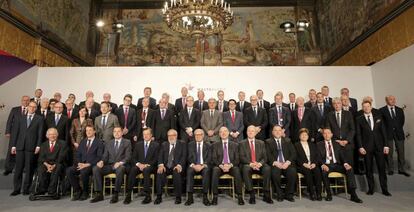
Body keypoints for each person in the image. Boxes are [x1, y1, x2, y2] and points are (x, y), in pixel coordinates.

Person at [356, 101, 391, 196]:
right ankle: (371, 189)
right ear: (362, 108)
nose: (366, 108)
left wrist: (386, 145)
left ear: (371, 107)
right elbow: (358, 134)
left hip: (379, 146)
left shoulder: (378, 117)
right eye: (364, 107)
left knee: (381, 168)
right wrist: (360, 147)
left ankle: (385, 189)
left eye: (368, 106)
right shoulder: (359, 119)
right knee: (369, 169)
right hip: (367, 148)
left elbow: (384, 132)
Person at [317, 128, 362, 203]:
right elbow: (318, 157)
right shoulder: (319, 144)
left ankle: (353, 195)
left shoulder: (336, 144)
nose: (327, 135)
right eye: (324, 133)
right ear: (323, 135)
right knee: (324, 172)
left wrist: (345, 164)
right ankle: (329, 194)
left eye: (328, 133)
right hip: (327, 165)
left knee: (349, 169)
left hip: (336, 165)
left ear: (331, 135)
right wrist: (322, 165)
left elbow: (342, 156)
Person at [10, 101, 43, 196]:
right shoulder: (20, 117)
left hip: (31, 147)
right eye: (31, 106)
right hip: (20, 147)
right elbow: (15, 132)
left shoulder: (39, 119)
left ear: (36, 109)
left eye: (34, 107)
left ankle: (26, 189)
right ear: (27, 107)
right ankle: (16, 189)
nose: (32, 108)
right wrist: (13, 145)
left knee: (29, 169)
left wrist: (38, 145)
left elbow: (40, 133)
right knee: (18, 169)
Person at [91, 127, 132, 203]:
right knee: (96, 168)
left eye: (118, 131)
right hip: (111, 165)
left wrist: (120, 163)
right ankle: (99, 194)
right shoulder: (109, 143)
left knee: (120, 169)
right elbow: (105, 156)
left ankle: (116, 193)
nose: (116, 133)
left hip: (122, 165)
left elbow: (128, 157)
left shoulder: (127, 142)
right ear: (113, 133)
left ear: (122, 133)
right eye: (115, 131)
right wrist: (102, 161)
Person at [66, 125, 104, 201]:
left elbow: (99, 157)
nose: (88, 132)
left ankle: (85, 192)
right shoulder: (83, 141)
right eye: (87, 130)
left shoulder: (99, 142)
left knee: (84, 171)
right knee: (69, 170)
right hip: (81, 164)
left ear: (94, 131)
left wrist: (87, 164)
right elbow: (78, 154)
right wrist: (80, 163)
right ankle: (78, 190)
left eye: (90, 130)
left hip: (91, 165)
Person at [124, 128, 160, 205]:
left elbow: (157, 158)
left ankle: (147, 195)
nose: (145, 136)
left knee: (146, 170)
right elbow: (133, 158)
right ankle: (129, 194)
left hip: (150, 166)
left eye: (147, 134)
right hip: (139, 165)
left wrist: (147, 165)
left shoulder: (156, 145)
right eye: (144, 134)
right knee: (133, 169)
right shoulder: (138, 144)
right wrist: (138, 164)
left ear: (151, 135)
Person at [211, 127, 244, 205]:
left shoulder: (235, 145)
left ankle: (239, 196)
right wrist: (221, 165)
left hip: (231, 166)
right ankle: (215, 196)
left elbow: (237, 159)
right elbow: (214, 158)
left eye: (225, 131)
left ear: (228, 133)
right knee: (215, 170)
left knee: (237, 170)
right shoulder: (215, 145)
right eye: (221, 132)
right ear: (219, 134)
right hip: (220, 166)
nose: (223, 133)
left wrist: (230, 165)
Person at [240, 126, 272, 204]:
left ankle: (266, 193)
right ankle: (251, 194)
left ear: (256, 133)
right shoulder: (242, 143)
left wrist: (259, 164)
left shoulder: (261, 143)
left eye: (252, 131)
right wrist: (251, 164)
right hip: (248, 164)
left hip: (259, 164)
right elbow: (241, 157)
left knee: (267, 168)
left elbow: (265, 157)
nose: (251, 132)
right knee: (246, 168)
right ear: (246, 132)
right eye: (249, 131)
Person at [154, 129, 187, 204]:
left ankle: (178, 197)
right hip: (166, 166)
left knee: (177, 173)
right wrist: (161, 165)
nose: (171, 137)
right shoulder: (164, 144)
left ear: (176, 136)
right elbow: (160, 156)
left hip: (176, 166)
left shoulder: (182, 144)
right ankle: (159, 196)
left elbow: (184, 156)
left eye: (172, 135)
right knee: (159, 172)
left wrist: (179, 165)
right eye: (169, 135)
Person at [380, 95, 410, 176]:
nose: (393, 101)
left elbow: (402, 121)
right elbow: (382, 123)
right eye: (391, 99)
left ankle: (402, 169)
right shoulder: (382, 110)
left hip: (399, 133)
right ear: (386, 101)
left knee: (401, 151)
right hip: (387, 134)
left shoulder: (399, 110)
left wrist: (397, 128)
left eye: (394, 99)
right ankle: (390, 169)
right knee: (389, 153)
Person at [266, 125, 297, 202]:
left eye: (279, 130)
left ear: (282, 131)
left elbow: (293, 154)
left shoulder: (288, 141)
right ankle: (279, 194)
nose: (277, 132)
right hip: (276, 164)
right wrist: (275, 162)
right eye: (275, 130)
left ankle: (289, 194)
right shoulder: (268, 142)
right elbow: (268, 155)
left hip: (286, 163)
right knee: (275, 173)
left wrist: (287, 162)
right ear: (272, 132)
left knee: (292, 172)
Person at [36, 128, 67, 196]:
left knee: (57, 168)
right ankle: (42, 190)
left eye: (54, 134)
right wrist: (47, 165)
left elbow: (61, 157)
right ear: (47, 136)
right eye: (50, 134)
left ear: (57, 135)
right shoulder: (43, 145)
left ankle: (52, 191)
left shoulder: (62, 143)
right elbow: (41, 158)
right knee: (40, 169)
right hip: (46, 164)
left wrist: (54, 165)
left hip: (58, 163)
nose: (52, 136)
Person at [3, 95, 30, 176]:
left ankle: (22, 168)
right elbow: (9, 121)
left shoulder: (31, 109)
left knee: (23, 151)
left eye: (27, 100)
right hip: (14, 133)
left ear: (29, 101)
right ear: (21, 101)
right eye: (24, 100)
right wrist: (8, 132)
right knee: (11, 151)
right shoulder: (15, 109)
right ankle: (8, 168)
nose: (25, 102)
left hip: (25, 135)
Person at [185, 129, 212, 206]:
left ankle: (205, 196)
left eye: (200, 134)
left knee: (206, 171)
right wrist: (193, 165)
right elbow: (188, 157)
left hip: (204, 166)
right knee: (189, 171)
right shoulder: (190, 145)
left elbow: (209, 158)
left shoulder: (208, 145)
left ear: (203, 135)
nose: (198, 136)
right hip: (193, 165)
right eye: (196, 135)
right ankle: (190, 197)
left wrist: (202, 165)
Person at [294, 128, 322, 201]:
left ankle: (319, 193)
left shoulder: (312, 145)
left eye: (305, 135)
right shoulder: (296, 145)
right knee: (308, 172)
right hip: (302, 166)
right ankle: (312, 193)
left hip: (312, 164)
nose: (304, 136)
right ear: (299, 136)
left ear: (308, 136)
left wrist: (314, 164)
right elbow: (295, 157)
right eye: (302, 135)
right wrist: (304, 164)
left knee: (318, 172)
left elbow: (317, 156)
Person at [325, 97, 355, 165]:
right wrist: (336, 141)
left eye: (338, 103)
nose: (337, 105)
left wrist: (346, 140)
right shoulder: (329, 115)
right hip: (335, 144)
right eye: (334, 104)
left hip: (347, 144)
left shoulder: (348, 114)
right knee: (339, 165)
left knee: (349, 165)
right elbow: (328, 131)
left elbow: (352, 129)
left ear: (341, 104)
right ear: (332, 105)